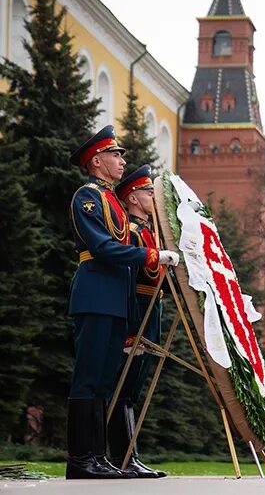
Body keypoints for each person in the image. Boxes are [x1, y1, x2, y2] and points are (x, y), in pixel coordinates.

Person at [65, 126, 179, 479]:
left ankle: (99, 459)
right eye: (115, 155)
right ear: (96, 160)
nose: (122, 160)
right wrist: (149, 254)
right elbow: (101, 246)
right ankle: (82, 459)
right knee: (89, 378)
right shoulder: (87, 197)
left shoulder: (111, 199)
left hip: (116, 299)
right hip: (97, 293)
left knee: (102, 382)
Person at [108, 165, 168, 478]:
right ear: (132, 197)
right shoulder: (131, 233)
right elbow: (129, 282)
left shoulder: (148, 232)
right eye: (147, 192)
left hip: (151, 310)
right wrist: (131, 328)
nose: (151, 197)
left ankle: (131, 456)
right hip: (137, 312)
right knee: (125, 387)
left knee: (134, 389)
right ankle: (123, 458)